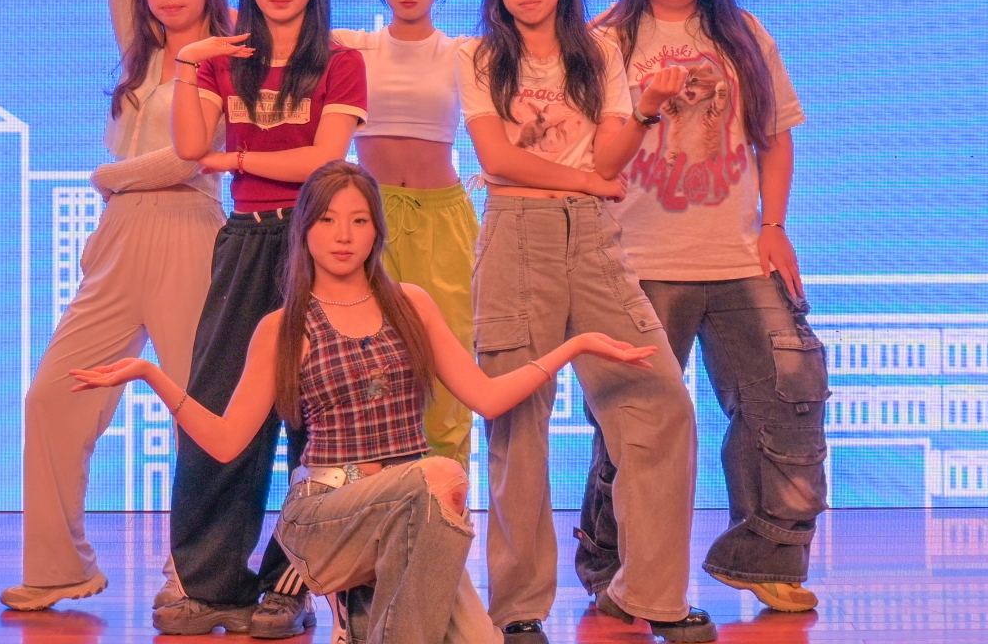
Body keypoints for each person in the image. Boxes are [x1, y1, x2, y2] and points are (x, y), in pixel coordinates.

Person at [69, 161, 661, 644]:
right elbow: (226, 443)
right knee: (440, 475)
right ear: (304, 231)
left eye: (358, 220)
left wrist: (575, 345)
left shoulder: (411, 304)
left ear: (377, 231)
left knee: (477, 635)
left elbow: (486, 398)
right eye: (327, 220)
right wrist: (150, 374)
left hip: (412, 510)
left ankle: (364, 624)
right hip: (326, 513)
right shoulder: (283, 326)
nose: (343, 235)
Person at [460, 0, 715, 644]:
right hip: (515, 238)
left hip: (595, 241)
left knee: (660, 402)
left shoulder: (599, 51)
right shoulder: (479, 57)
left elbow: (607, 161)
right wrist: (583, 181)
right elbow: (498, 162)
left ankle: (654, 593)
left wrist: (646, 110)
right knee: (517, 426)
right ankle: (518, 608)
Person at [574, 0, 825, 615]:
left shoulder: (743, 35)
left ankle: (764, 557)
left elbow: (775, 137)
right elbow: (584, 149)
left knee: (790, 395)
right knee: (630, 425)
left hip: (738, 257)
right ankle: (617, 572)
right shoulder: (604, 40)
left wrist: (774, 224)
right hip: (636, 261)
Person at [2, 0, 233, 612]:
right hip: (117, 242)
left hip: (189, 233)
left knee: (196, 406)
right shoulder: (140, 51)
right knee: (52, 395)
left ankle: (195, 569)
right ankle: (58, 566)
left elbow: (190, 160)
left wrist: (109, 175)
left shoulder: (223, 57)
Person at [162, 0, 368, 637]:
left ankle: (292, 583)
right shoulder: (225, 60)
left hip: (318, 245)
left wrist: (240, 159)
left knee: (318, 419)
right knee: (221, 404)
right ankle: (211, 583)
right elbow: (190, 144)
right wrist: (189, 62)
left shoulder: (340, 59)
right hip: (247, 239)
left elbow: (323, 160)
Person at [333, 0, 478, 466]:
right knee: (365, 361)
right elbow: (267, 25)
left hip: (443, 220)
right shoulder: (355, 46)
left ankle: (448, 500)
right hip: (367, 220)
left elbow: (549, 45)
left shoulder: (463, 52)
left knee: (448, 362)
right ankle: (372, 498)